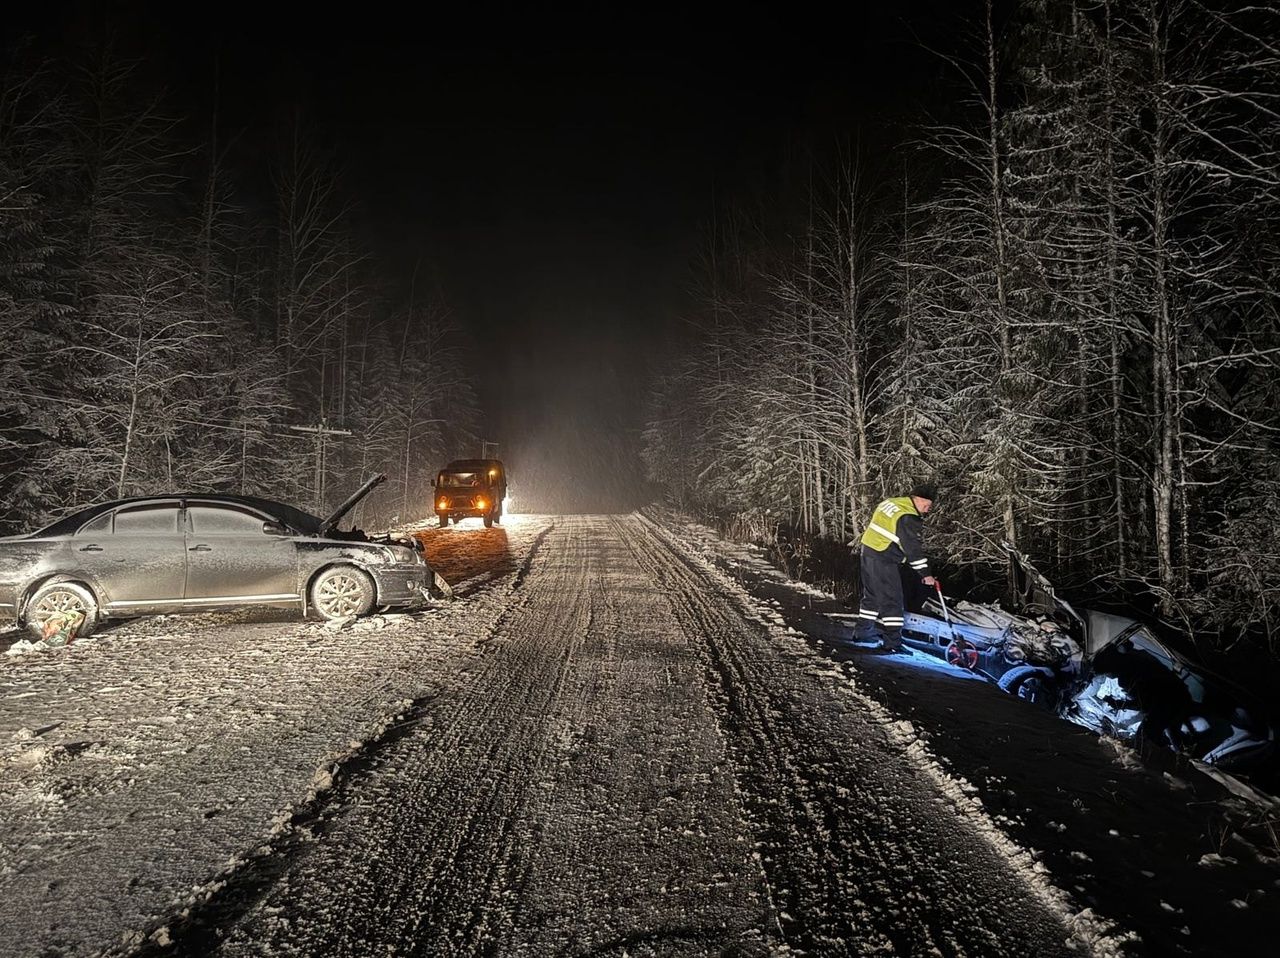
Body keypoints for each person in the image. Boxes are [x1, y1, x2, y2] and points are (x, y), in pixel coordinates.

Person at [853, 482, 939, 652]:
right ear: (917, 499)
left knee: (872, 595)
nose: (927, 509)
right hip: (883, 556)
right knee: (892, 599)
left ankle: (862, 632)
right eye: (926, 505)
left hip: (868, 550)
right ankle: (892, 644)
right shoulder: (908, 516)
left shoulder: (893, 502)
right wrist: (926, 574)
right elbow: (912, 548)